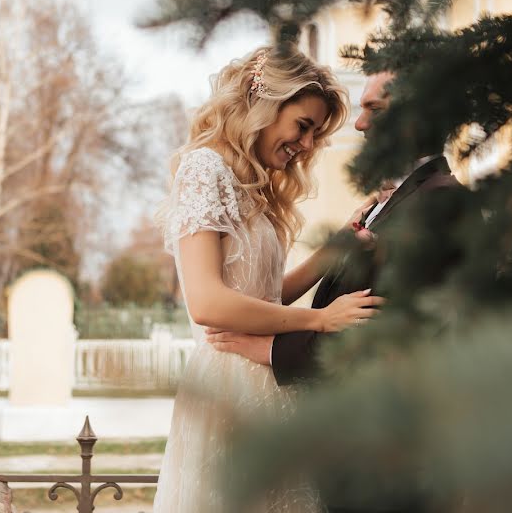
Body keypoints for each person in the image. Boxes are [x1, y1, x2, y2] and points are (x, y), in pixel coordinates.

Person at [206, 70, 462, 511]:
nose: (360, 124)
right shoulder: (404, 199)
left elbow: (392, 338)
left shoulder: (436, 203)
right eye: (303, 126)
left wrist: (270, 349)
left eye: (374, 110)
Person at [154, 46, 384, 513]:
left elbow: (260, 296)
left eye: (315, 134)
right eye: (303, 125)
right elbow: (209, 304)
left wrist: (339, 247)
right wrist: (318, 320)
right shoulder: (204, 169)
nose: (306, 144)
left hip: (269, 382)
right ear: (264, 105)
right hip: (228, 389)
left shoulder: (252, 185)